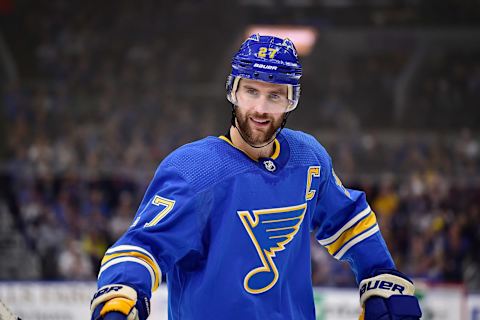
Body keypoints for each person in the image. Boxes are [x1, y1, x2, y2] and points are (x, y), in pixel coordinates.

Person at [90, 34, 422, 320]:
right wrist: (123, 293)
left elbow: (348, 218)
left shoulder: (309, 157)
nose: (261, 108)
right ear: (233, 92)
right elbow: (144, 245)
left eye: (274, 95)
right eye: (251, 91)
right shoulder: (193, 170)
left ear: (291, 100)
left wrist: (379, 273)